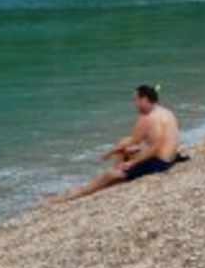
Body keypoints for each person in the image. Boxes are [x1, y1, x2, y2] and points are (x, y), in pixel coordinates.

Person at [52, 85, 184, 202]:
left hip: (160, 164)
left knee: (111, 174)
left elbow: (154, 148)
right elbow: (158, 140)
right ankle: (115, 173)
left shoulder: (147, 118)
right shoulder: (166, 112)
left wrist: (127, 160)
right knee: (126, 144)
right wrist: (131, 150)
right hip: (171, 157)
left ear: (144, 100)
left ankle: (79, 193)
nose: (135, 104)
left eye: (136, 100)